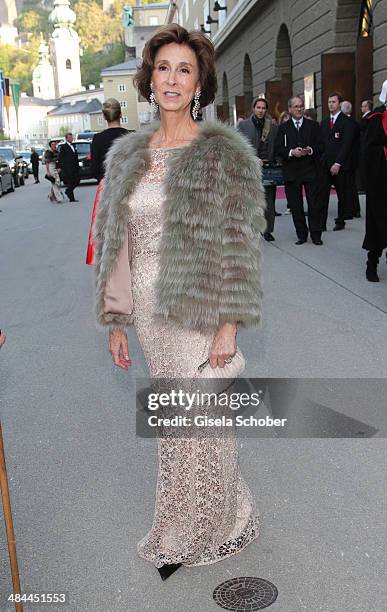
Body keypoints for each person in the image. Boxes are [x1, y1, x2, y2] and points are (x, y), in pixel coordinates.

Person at [94, 23, 266, 579]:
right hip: (147, 315)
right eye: (163, 67)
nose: (172, 78)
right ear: (150, 79)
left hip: (200, 310)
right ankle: (182, 521)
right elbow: (114, 246)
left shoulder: (223, 153)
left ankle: (215, 520)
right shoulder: (127, 156)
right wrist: (116, 319)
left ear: (198, 84)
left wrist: (229, 326)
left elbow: (240, 245)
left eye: (184, 70)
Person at [275, 96, 324, 245]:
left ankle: (316, 234)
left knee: (314, 204)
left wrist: (309, 149)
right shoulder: (283, 128)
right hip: (292, 171)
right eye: (296, 106)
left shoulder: (313, 125)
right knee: (296, 206)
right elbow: (278, 149)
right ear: (289, 109)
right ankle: (302, 234)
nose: (299, 109)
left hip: (310, 169)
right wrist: (291, 152)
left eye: (301, 106)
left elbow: (321, 145)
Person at [85, 98, 128, 265]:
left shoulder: (97, 139)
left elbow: (94, 168)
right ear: (121, 115)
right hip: (127, 184)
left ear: (104, 116)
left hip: (106, 186)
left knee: (104, 227)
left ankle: (108, 261)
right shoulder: (130, 135)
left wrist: (100, 178)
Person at [238, 97, 279, 240]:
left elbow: (276, 147)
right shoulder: (243, 126)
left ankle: (267, 230)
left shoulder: (273, 127)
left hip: (268, 168)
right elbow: (239, 147)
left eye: (263, 108)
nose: (261, 110)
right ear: (253, 108)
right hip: (250, 168)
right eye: (258, 107)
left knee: (269, 201)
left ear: (266, 110)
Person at [362, 80, 387, 282]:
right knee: (377, 225)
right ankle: (372, 264)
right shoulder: (374, 119)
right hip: (379, 181)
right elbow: (367, 150)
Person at [320, 92, 353, 231]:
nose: (330, 105)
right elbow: (321, 143)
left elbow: (346, 145)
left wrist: (338, 163)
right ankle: (321, 223)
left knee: (342, 194)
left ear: (339, 103)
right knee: (322, 195)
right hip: (325, 164)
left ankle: (340, 220)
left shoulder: (346, 122)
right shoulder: (325, 122)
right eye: (329, 102)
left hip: (339, 165)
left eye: (333, 102)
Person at [341, 100, 361, 219]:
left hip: (346, 159)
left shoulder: (345, 123)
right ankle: (355, 209)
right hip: (353, 159)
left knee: (346, 186)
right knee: (352, 186)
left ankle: (349, 210)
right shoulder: (355, 123)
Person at [58, 132, 79, 202]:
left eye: (72, 137)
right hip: (68, 168)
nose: (71, 138)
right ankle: (72, 198)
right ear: (66, 139)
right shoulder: (63, 147)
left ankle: (68, 191)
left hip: (75, 167)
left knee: (77, 181)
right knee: (71, 182)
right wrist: (61, 167)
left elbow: (75, 156)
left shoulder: (73, 145)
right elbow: (60, 158)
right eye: (69, 137)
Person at [359, 99, 373, 192]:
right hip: (365, 146)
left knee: (365, 167)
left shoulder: (368, 117)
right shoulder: (366, 117)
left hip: (365, 146)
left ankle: (365, 186)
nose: (361, 108)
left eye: (363, 106)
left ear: (367, 107)